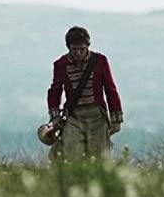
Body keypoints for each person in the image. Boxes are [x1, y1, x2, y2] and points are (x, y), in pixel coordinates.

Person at [46, 26, 123, 161]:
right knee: (71, 155)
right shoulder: (61, 64)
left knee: (99, 157)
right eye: (74, 49)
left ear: (88, 46)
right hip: (74, 116)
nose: (78, 53)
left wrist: (116, 119)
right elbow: (55, 90)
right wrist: (55, 117)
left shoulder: (100, 61)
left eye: (82, 49)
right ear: (68, 47)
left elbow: (110, 89)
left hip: (97, 116)